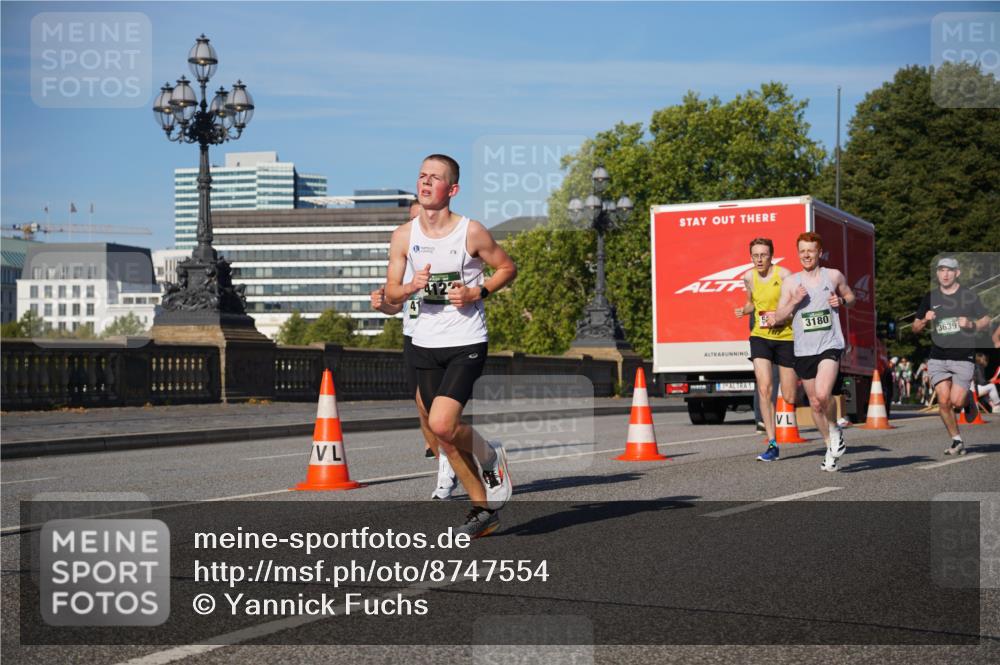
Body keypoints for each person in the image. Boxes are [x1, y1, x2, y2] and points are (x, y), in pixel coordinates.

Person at [384, 154, 517, 538]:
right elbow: (392, 290)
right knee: (443, 433)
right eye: (421, 176)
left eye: (435, 178)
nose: (425, 183)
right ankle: (483, 509)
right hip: (424, 342)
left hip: (466, 341)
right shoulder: (404, 235)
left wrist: (479, 290)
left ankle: (490, 455)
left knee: (443, 422)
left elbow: (507, 267)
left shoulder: (470, 232)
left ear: (452, 189)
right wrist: (409, 286)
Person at [371, 200, 459, 500]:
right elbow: (396, 304)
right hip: (414, 335)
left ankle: (452, 465)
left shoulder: (448, 249)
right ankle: (448, 460)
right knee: (423, 409)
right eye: (412, 219)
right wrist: (384, 304)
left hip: (451, 335)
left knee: (436, 407)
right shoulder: (403, 253)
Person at [774, 232, 856, 472]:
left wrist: (842, 302)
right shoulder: (791, 283)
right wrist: (794, 301)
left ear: (820, 252)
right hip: (803, 350)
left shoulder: (833, 276)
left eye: (811, 250)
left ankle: (834, 428)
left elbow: (851, 296)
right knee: (815, 404)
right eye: (802, 251)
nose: (806, 255)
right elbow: (778, 317)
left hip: (829, 344)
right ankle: (830, 446)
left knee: (822, 394)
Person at [912, 257, 991, 455]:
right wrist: (924, 320)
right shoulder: (930, 297)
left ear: (957, 273)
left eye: (949, 270)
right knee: (944, 401)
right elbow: (915, 328)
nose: (945, 274)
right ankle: (956, 440)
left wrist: (971, 324)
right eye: (941, 270)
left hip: (963, 356)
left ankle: (968, 401)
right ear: (937, 273)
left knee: (956, 401)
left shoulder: (968, 296)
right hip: (937, 357)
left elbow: (986, 320)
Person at [734, 237, 797, 462]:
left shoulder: (785, 275)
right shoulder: (748, 277)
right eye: (755, 255)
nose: (759, 259)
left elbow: (794, 305)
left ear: (772, 256)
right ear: (751, 257)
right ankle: (772, 443)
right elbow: (751, 302)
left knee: (789, 396)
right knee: (764, 388)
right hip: (760, 336)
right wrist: (745, 309)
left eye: (763, 255)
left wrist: (781, 317)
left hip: (786, 337)